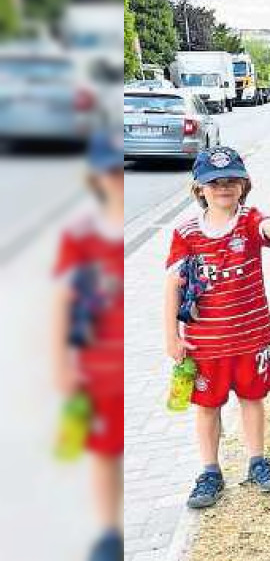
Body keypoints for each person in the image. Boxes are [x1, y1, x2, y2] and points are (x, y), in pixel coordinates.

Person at [164, 146, 270, 509]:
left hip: (250, 339)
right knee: (207, 407)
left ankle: (257, 461)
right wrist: (171, 336)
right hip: (204, 345)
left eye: (231, 181)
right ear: (200, 189)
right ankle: (209, 471)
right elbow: (173, 285)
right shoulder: (186, 232)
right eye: (214, 182)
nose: (223, 187)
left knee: (253, 399)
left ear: (243, 185)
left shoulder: (250, 220)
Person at [52, 132, 124, 561]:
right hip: (94, 358)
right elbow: (62, 299)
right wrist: (61, 361)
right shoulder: (79, 234)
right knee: (102, 447)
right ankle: (106, 527)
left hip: (123, 354)